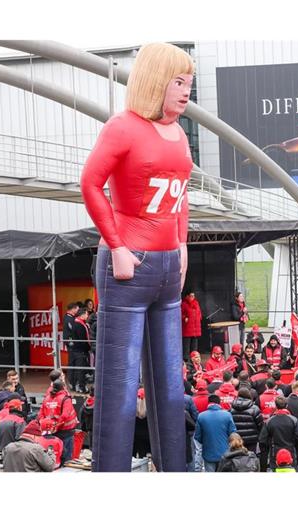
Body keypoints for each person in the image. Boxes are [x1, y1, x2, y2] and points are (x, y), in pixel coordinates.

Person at [80, 43, 195, 472]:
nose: (185, 92)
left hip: (166, 265)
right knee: (120, 386)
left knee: (169, 387)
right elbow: (91, 184)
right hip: (131, 262)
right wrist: (118, 245)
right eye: (178, 82)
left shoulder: (179, 134)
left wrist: (182, 243)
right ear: (154, 80)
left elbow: (180, 195)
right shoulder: (123, 127)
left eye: (189, 83)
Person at [36, 379, 77, 466]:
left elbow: (40, 414)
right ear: (63, 388)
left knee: (54, 454)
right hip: (66, 431)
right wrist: (56, 425)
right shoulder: (66, 399)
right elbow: (65, 415)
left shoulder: (46, 398)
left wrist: (47, 425)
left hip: (51, 432)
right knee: (66, 458)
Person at [258, 396, 298, 471]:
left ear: (276, 406)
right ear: (286, 406)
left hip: (275, 454)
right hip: (290, 453)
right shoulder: (293, 420)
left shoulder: (269, 421)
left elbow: (262, 440)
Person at [194, 394, 237, 472]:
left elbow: (198, 437)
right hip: (225, 453)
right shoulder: (227, 415)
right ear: (219, 403)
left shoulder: (201, 416)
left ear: (208, 403)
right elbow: (233, 433)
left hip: (208, 453)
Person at [230, 387, 263, 454]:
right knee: (251, 459)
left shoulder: (231, 408)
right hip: (251, 439)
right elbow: (260, 424)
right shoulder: (254, 408)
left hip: (236, 439)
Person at [67, 307, 92, 394]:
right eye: (86, 314)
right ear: (83, 314)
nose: (87, 315)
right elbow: (83, 340)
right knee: (80, 370)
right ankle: (81, 387)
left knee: (78, 369)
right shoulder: (79, 325)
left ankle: (76, 385)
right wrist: (88, 348)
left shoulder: (77, 323)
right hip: (80, 350)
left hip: (76, 350)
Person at [181, 289, 202, 356]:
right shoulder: (184, 304)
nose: (192, 297)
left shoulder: (196, 303)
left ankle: (194, 359)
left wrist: (199, 318)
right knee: (186, 347)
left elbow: (199, 313)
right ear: (187, 296)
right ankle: (186, 360)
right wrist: (184, 317)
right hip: (187, 329)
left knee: (194, 347)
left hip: (195, 329)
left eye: (193, 296)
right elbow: (179, 314)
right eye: (191, 296)